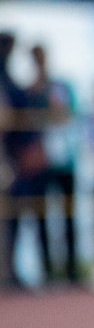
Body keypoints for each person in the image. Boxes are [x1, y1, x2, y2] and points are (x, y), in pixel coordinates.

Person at [30, 45, 81, 285]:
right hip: (41, 163)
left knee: (69, 215)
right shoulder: (31, 91)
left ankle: (71, 269)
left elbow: (70, 115)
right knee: (41, 216)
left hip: (66, 161)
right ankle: (47, 270)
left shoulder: (59, 87)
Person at [1, 32, 48, 290]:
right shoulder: (7, 83)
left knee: (15, 217)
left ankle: (9, 272)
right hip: (12, 159)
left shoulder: (12, 84)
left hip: (14, 161)